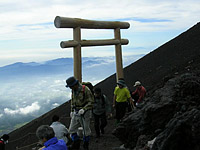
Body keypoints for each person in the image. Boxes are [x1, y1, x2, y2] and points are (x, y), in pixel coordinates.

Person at [65, 76, 94, 150]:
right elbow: (73, 101)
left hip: (85, 112)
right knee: (71, 130)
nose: (70, 88)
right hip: (76, 111)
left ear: (75, 84)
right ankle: (76, 142)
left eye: (71, 86)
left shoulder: (85, 90)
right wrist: (71, 111)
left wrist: (84, 109)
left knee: (85, 130)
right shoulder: (73, 90)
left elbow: (91, 101)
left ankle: (85, 144)